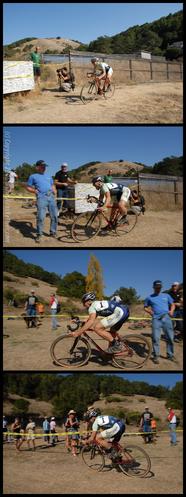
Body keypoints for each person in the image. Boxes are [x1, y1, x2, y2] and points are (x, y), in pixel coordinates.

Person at [144, 280, 175, 364]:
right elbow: (145, 307)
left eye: (159, 287)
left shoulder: (166, 296)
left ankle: (170, 355)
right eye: (157, 287)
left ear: (161, 287)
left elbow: (173, 304)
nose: (158, 289)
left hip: (166, 318)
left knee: (170, 338)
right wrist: (149, 311)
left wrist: (171, 311)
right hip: (156, 320)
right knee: (155, 338)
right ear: (153, 287)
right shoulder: (149, 297)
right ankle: (156, 356)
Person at [26, 160, 58, 243]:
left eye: (44, 166)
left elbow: (52, 185)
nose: (44, 168)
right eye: (42, 166)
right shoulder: (33, 176)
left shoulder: (49, 176)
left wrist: (54, 191)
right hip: (41, 198)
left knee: (54, 216)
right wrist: (34, 191)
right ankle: (39, 235)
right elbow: (28, 187)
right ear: (37, 167)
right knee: (40, 217)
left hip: (51, 197)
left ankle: (53, 232)